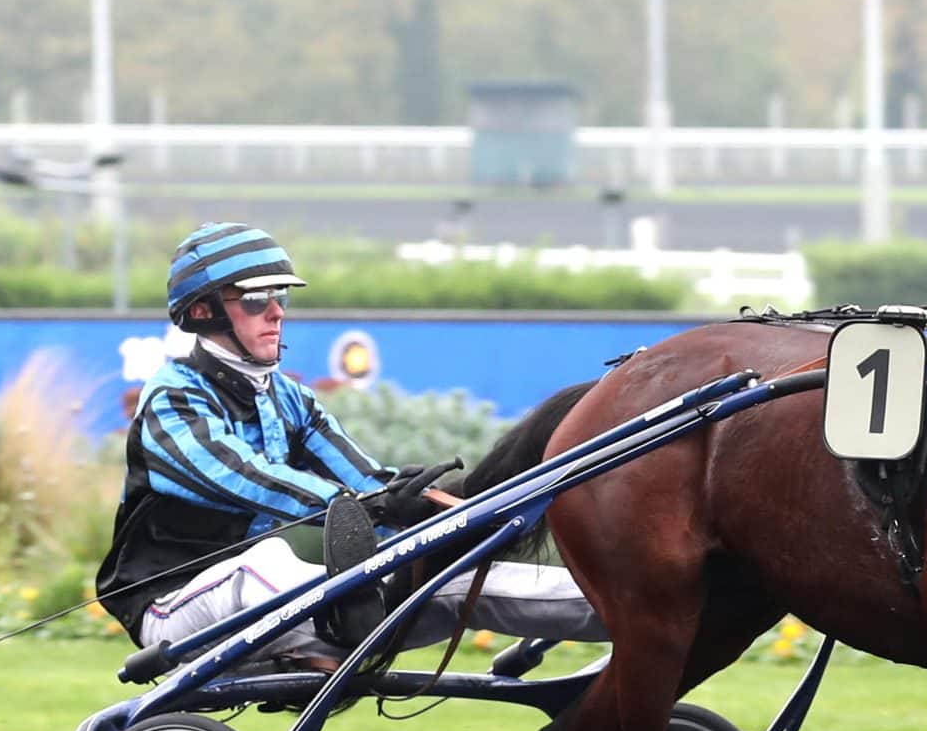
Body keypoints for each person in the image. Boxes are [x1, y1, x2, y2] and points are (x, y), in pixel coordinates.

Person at [95, 222, 603, 667]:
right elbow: (247, 480)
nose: (275, 312)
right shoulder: (171, 397)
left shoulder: (291, 398)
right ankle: (348, 624)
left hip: (285, 603)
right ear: (203, 312)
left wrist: (430, 505)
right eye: (255, 300)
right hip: (173, 607)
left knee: (441, 571)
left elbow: (366, 479)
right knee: (265, 563)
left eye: (281, 298)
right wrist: (365, 507)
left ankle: (628, 604)